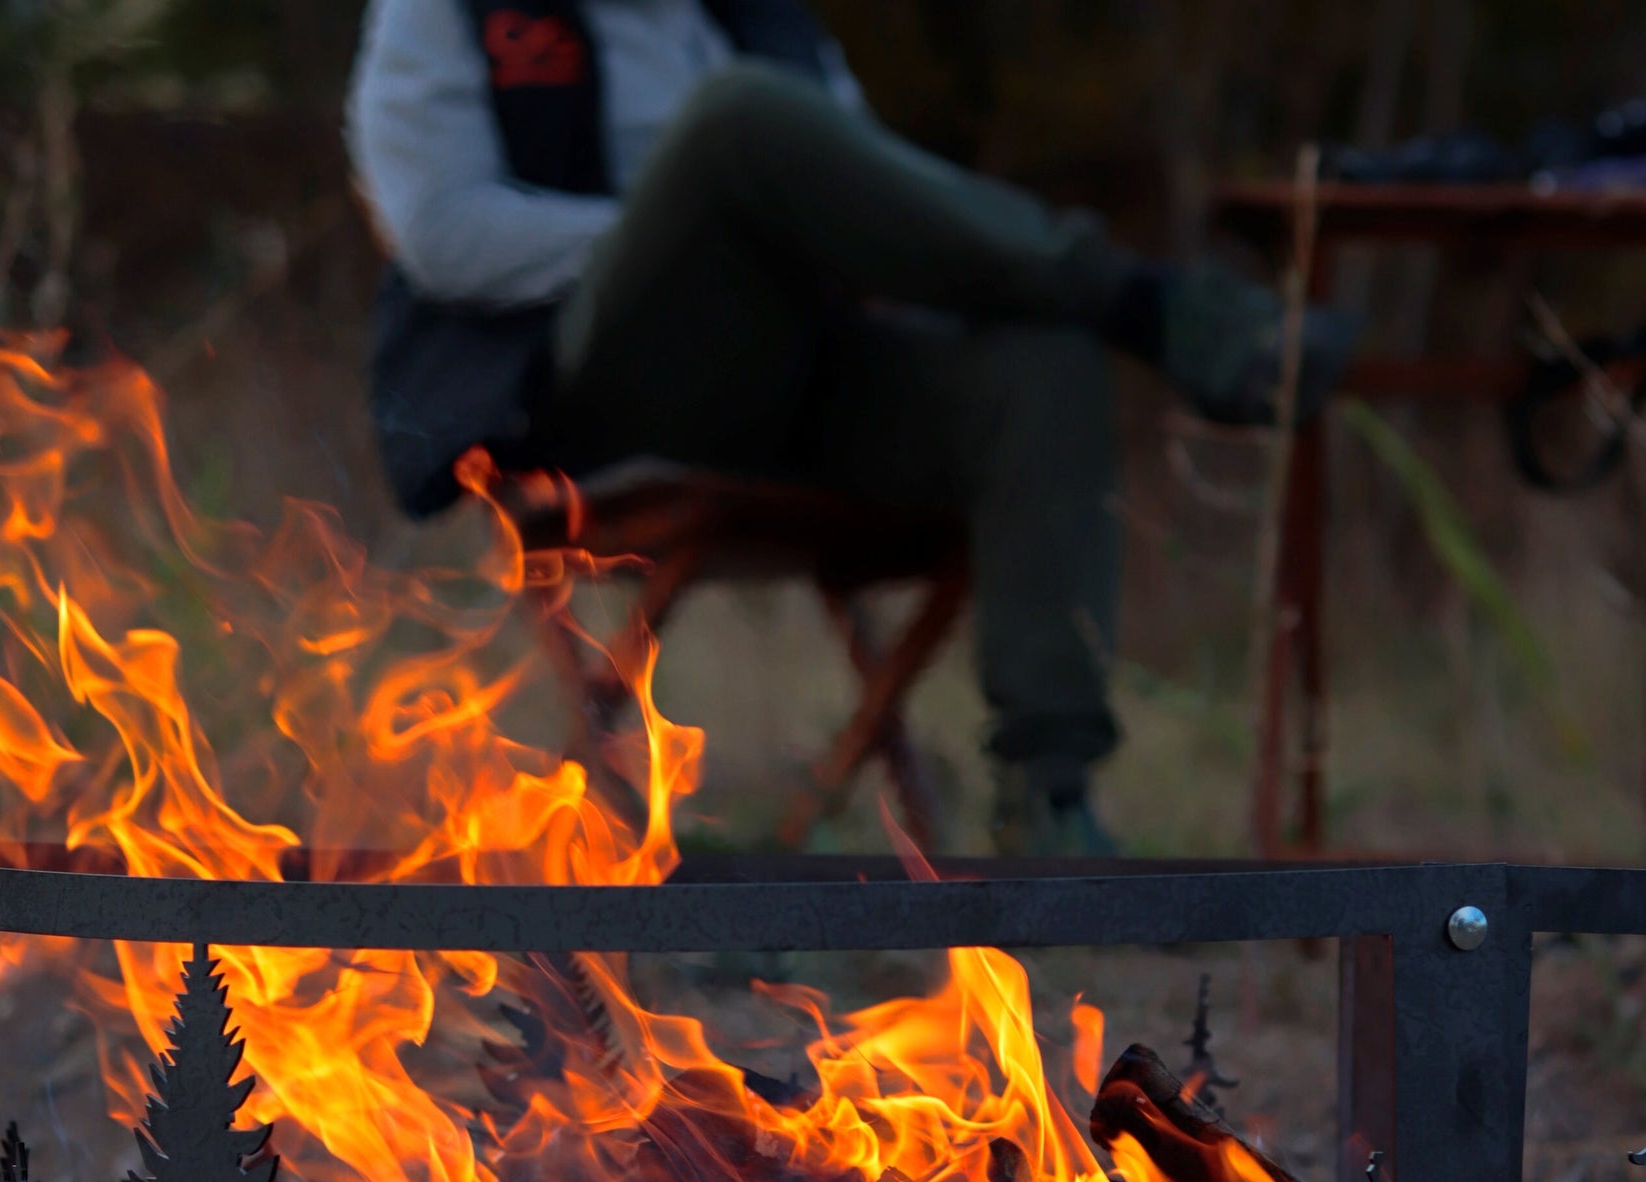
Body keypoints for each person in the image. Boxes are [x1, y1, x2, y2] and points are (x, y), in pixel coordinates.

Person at [346, 0, 1357, 853]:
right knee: (736, 123)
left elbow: (874, 201)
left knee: (1040, 357)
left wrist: (802, 238)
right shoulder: (453, 9)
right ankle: (1149, 303)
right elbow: (437, 232)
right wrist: (701, 228)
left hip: (797, 382)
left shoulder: (764, 19)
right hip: (590, 402)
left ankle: (1048, 795)